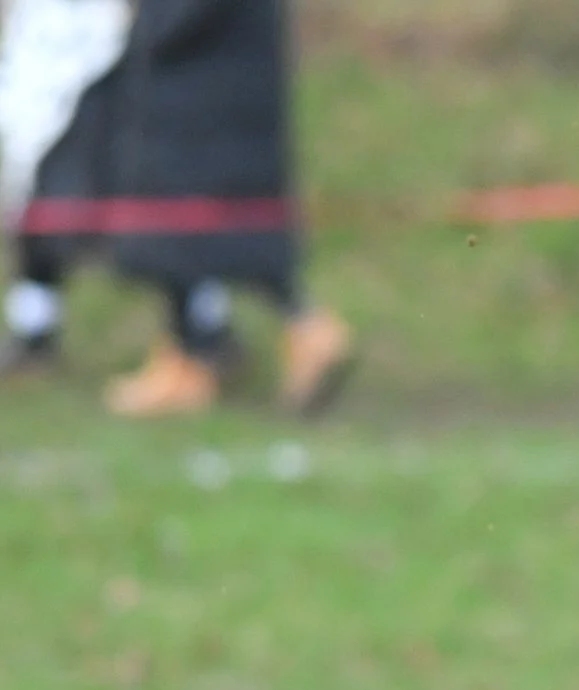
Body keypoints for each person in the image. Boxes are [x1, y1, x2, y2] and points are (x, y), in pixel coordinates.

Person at [0, 0, 352, 415]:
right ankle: (220, 343)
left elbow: (176, 18)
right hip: (215, 88)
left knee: (184, 225)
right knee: (203, 229)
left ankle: (203, 355)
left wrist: (138, 30)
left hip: (196, 95)